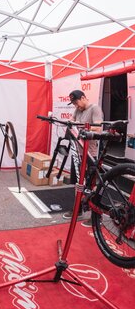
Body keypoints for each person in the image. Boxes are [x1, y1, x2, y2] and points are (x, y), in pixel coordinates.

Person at [62, 89, 103, 227]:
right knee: (77, 184)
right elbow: (71, 121)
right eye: (73, 104)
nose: (76, 106)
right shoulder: (77, 110)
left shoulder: (94, 109)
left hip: (89, 153)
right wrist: (69, 123)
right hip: (77, 152)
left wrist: (81, 129)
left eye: (77, 102)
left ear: (84, 98)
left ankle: (96, 216)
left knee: (91, 185)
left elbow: (98, 128)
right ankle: (78, 210)